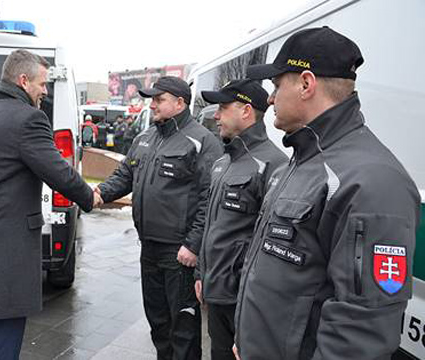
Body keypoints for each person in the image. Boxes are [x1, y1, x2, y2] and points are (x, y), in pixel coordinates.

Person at [233, 26, 420, 360]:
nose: (271, 98)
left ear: (306, 84)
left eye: (276, 86)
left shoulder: (372, 180)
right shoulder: (304, 160)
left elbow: (359, 333)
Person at [0, 49, 99, 360]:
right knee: (7, 333)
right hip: (10, 245)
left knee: (0, 327)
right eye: (42, 84)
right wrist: (90, 196)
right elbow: (57, 171)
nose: (45, 91)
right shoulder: (29, 119)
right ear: (23, 80)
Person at [96, 76, 223, 359]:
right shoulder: (145, 138)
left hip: (178, 254)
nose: (152, 105)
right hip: (149, 249)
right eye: (152, 99)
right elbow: (124, 175)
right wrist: (98, 194)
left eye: (159, 99)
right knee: (159, 324)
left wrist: (192, 244)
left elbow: (209, 199)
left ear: (179, 103)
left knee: (183, 329)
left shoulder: (203, 142)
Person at [195, 80, 287, 360]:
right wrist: (201, 273)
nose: (216, 116)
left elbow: (270, 244)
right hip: (216, 293)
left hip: (244, 302)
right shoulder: (223, 163)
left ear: (246, 111)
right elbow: (213, 224)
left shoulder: (275, 164)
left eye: (223, 107)